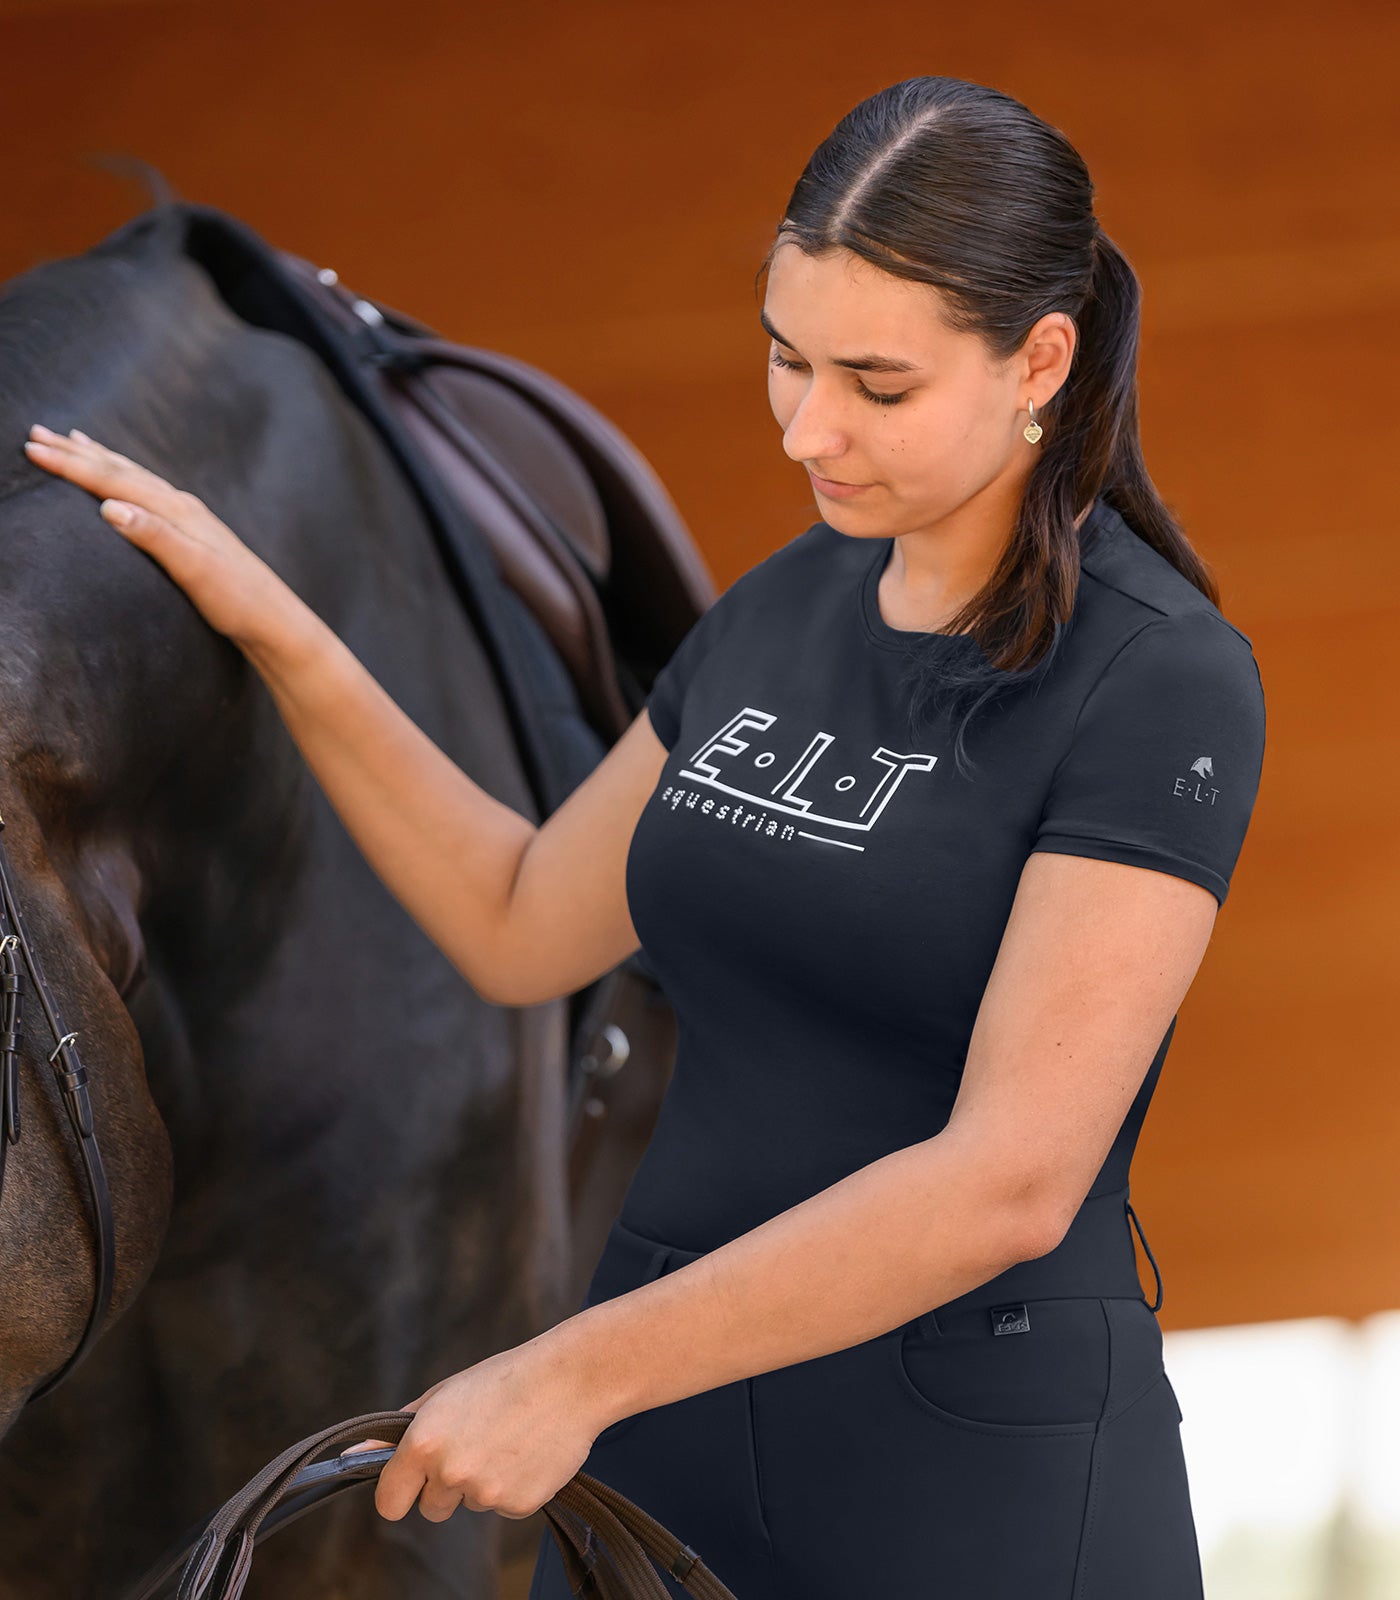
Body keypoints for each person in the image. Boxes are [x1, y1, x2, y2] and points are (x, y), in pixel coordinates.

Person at [23, 72, 1265, 1600]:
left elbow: (1010, 1176)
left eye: (878, 386)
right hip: (662, 1445)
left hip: (964, 1481)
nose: (810, 428)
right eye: (786, 357)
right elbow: (519, 914)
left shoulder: (1159, 680)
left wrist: (569, 1374)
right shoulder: (785, 605)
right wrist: (269, 618)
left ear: (1041, 361)